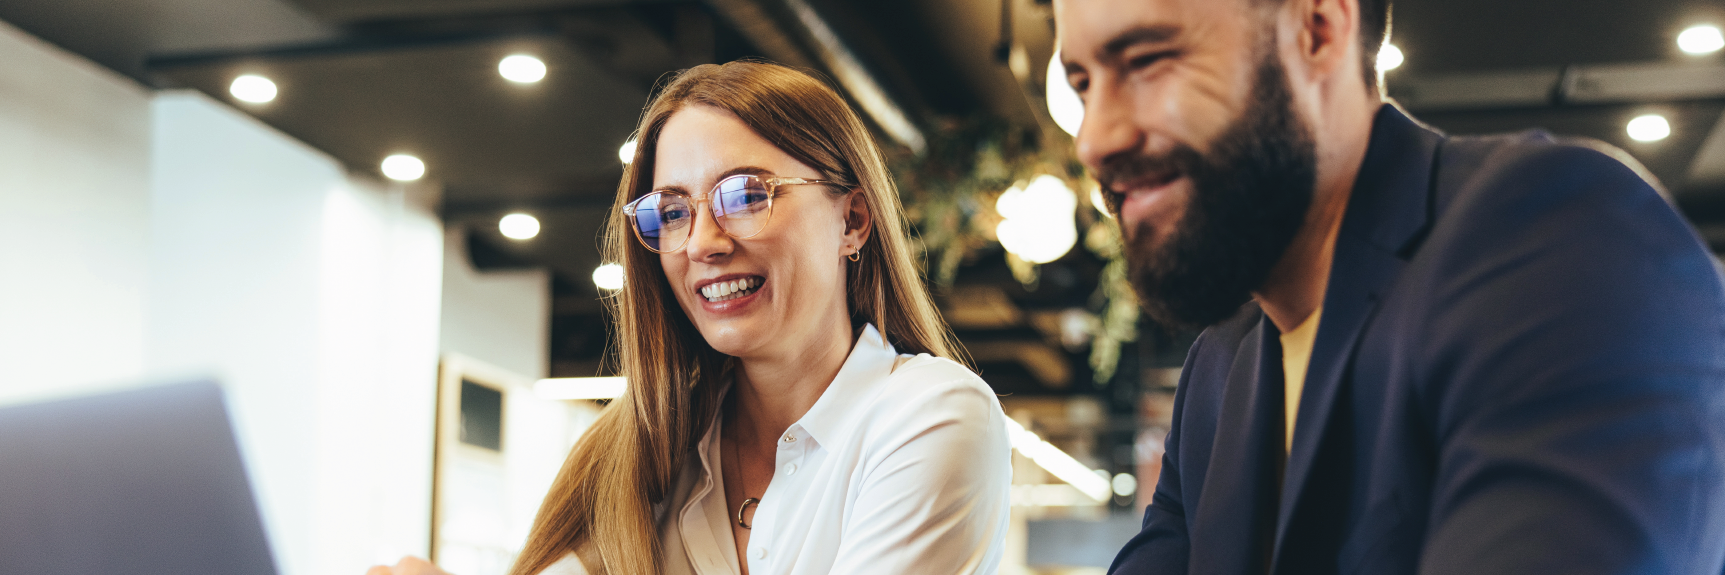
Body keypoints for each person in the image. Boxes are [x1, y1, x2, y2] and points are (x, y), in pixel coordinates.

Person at [1053, 0, 1725, 573]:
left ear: (1315, 28)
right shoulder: (1217, 366)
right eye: (1082, 84)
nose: (1092, 139)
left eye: (1146, 61)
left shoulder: (1560, 239)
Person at [371, 60, 1012, 575]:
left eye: (745, 195)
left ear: (852, 220)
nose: (702, 241)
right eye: (671, 211)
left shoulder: (931, 415)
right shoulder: (636, 450)